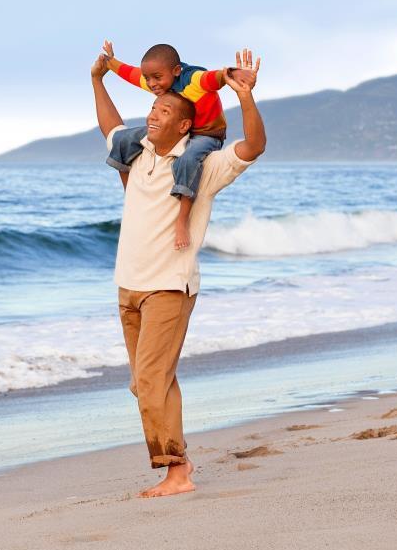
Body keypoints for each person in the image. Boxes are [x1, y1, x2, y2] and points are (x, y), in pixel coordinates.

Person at [91, 47, 266, 498]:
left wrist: (244, 96)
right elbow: (110, 127)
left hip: (169, 287)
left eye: (165, 111)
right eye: (152, 108)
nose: (153, 114)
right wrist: (98, 79)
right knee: (146, 383)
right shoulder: (138, 154)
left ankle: (177, 470)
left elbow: (253, 147)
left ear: (185, 124)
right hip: (127, 286)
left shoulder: (204, 166)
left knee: (152, 380)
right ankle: (179, 465)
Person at [103, 40, 256, 250]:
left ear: (176, 71)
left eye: (156, 78)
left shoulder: (192, 80)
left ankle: (182, 219)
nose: (151, 84)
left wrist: (235, 74)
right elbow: (130, 73)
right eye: (148, 78)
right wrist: (110, 62)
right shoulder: (157, 81)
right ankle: (130, 193)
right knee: (123, 139)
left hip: (206, 134)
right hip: (178, 130)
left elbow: (214, 77)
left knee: (187, 159)